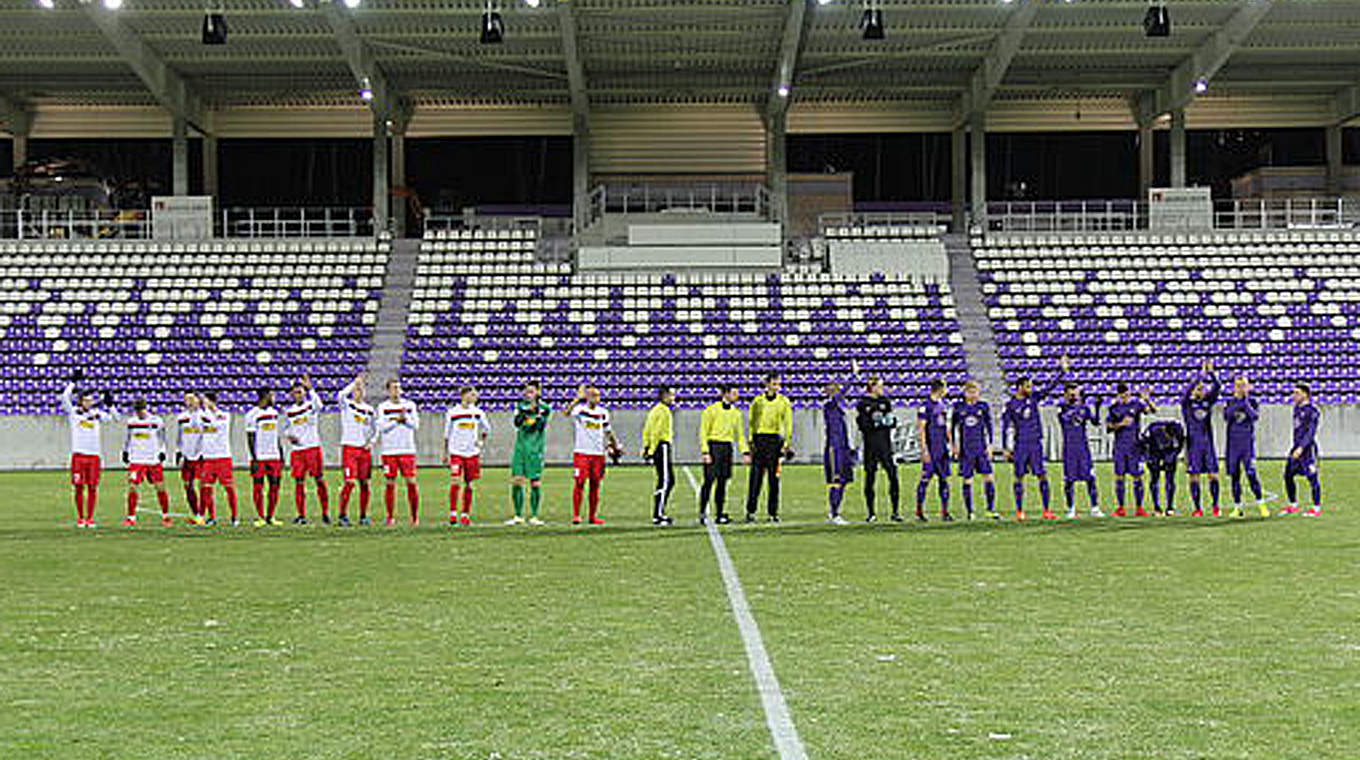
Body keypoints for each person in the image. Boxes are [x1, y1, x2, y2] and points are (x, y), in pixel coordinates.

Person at [1001, 356, 1068, 520]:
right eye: (1028, 386)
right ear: (1020, 387)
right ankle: (1019, 511)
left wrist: (1062, 371)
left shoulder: (1034, 398)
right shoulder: (1011, 405)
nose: (1031, 388)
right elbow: (1006, 427)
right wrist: (1005, 447)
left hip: (1036, 443)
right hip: (1021, 444)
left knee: (1042, 475)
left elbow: (1050, 388)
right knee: (1019, 476)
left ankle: (1046, 510)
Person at [62, 369, 117, 528]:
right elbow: (64, 398)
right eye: (86, 400)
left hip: (94, 456)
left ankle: (90, 518)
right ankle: (80, 518)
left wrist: (110, 405)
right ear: (80, 401)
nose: (89, 403)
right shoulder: (74, 414)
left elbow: (115, 419)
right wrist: (73, 382)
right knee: (79, 487)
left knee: (93, 487)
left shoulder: (97, 414)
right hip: (79, 455)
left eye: (91, 401)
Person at [563, 384, 620, 526]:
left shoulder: (603, 412)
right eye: (593, 395)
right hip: (582, 452)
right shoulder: (580, 410)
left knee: (595, 485)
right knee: (580, 483)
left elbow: (608, 431)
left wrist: (615, 444)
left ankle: (592, 516)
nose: (596, 398)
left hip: (598, 454)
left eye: (598, 395)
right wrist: (577, 399)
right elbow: (566, 413)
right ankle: (576, 515)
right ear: (587, 396)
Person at [746, 373, 793, 523]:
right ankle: (751, 512)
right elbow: (752, 422)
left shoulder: (784, 401)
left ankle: (773, 513)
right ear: (766, 384)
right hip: (760, 441)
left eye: (778, 384)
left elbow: (788, 423)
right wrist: (750, 441)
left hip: (775, 442)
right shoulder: (758, 401)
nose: (776, 387)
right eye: (774, 384)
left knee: (774, 480)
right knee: (755, 479)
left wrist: (786, 444)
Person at [699, 385, 749, 524]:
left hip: (727, 448)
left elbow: (740, 434)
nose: (736, 396)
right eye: (734, 393)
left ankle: (720, 513)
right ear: (725, 394)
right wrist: (705, 451)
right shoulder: (711, 410)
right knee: (708, 482)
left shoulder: (736, 413)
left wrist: (745, 451)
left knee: (723, 482)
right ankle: (702, 512)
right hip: (713, 446)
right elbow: (703, 431)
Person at [283, 375, 328, 525]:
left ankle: (325, 513)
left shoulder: (311, 405)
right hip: (298, 451)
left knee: (319, 480)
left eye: (301, 392)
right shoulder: (289, 411)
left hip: (312, 448)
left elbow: (320, 405)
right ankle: (301, 515)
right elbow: (285, 429)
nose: (298, 395)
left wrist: (311, 388)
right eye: (295, 392)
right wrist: (289, 436)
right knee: (299, 482)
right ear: (292, 395)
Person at [1106, 382, 1156, 517]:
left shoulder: (1136, 405)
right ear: (1119, 394)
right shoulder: (1114, 408)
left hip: (1135, 447)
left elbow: (1153, 411)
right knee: (1119, 477)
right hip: (1120, 447)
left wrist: (1147, 399)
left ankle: (1139, 508)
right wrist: (1121, 424)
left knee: (1137, 476)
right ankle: (1121, 507)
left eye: (1127, 392)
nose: (1126, 396)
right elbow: (1108, 428)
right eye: (1123, 394)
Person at [855, 377, 901, 521]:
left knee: (893, 477)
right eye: (879, 386)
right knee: (870, 479)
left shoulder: (885, 402)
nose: (882, 388)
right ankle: (871, 513)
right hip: (871, 446)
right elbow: (862, 425)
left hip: (886, 446)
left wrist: (889, 421)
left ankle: (895, 512)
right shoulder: (863, 403)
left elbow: (893, 421)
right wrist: (877, 423)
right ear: (872, 387)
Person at [1056, 382, 1104, 519]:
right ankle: (1071, 508)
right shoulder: (1062, 408)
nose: (1073, 395)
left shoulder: (1084, 408)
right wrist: (1077, 408)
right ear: (1065, 394)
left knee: (1090, 478)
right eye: (1071, 393)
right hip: (1069, 449)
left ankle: (1095, 507)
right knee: (1069, 480)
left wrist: (1097, 406)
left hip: (1083, 448)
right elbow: (1064, 419)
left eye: (1075, 393)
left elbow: (1095, 422)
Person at [1180, 360, 1222, 517]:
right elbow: (1186, 393)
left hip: (1208, 444)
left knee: (1213, 475)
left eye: (1202, 389)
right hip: (1193, 445)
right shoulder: (1186, 404)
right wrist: (1199, 376)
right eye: (1198, 389)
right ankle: (1197, 508)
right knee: (1194, 477)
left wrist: (1211, 373)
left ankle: (1215, 506)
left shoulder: (1207, 402)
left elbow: (1218, 387)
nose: (1201, 391)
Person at [377, 378, 420, 526]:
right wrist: (396, 420)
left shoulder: (410, 405)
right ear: (388, 391)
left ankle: (414, 517)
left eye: (398, 388)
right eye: (393, 388)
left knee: (411, 482)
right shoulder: (383, 407)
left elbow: (416, 425)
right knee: (390, 482)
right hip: (389, 451)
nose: (397, 391)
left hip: (407, 449)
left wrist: (405, 419)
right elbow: (382, 427)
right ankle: (390, 516)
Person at [445, 386, 491, 526]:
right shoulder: (453, 412)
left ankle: (465, 514)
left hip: (472, 452)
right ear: (464, 395)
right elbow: (446, 434)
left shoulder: (478, 412)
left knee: (469, 483)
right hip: (456, 452)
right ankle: (453, 513)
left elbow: (487, 428)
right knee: (455, 481)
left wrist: (481, 441)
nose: (475, 397)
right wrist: (445, 452)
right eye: (472, 394)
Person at [122, 399, 171, 528]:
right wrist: (126, 451)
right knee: (132, 486)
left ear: (146, 408)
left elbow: (163, 438)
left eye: (141, 409)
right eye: (137, 410)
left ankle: (166, 515)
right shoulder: (131, 422)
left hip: (153, 459)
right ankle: (131, 517)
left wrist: (163, 451)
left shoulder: (156, 421)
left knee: (160, 487)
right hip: (137, 460)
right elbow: (128, 438)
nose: (140, 413)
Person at [951, 380, 996, 520]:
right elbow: (953, 428)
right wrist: (954, 445)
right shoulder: (959, 408)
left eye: (976, 391)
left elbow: (989, 426)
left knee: (989, 477)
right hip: (966, 449)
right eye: (970, 392)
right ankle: (970, 511)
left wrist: (990, 445)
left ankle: (990, 509)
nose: (974, 394)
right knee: (967, 480)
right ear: (965, 393)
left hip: (981, 448)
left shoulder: (983, 406)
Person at [508, 380, 551, 526]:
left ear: (538, 392)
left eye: (531, 391)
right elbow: (517, 423)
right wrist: (526, 412)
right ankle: (518, 515)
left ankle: (534, 516)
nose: (528, 394)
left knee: (535, 482)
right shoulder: (519, 406)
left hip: (535, 448)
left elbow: (540, 426)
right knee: (517, 480)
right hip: (520, 447)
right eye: (526, 391)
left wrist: (536, 413)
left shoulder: (545, 408)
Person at [337, 373, 377, 527]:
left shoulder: (369, 410)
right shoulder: (347, 405)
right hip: (349, 448)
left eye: (361, 389)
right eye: (356, 390)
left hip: (364, 450)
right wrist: (354, 383)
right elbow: (340, 395)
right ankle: (342, 515)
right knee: (350, 482)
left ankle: (363, 515)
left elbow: (375, 429)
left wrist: (371, 443)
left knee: (365, 484)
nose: (359, 392)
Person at [1223, 376, 1266, 518]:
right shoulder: (1229, 402)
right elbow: (1227, 416)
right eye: (1238, 386)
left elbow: (1254, 416)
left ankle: (1261, 504)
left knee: (1251, 474)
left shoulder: (1252, 402)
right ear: (1234, 388)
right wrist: (1238, 402)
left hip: (1247, 445)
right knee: (1235, 476)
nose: (1241, 388)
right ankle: (1238, 507)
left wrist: (1245, 401)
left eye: (1244, 386)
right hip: (1232, 445)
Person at [243, 390, 284, 527]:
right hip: (260, 456)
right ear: (265, 397)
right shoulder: (252, 415)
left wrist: (281, 453)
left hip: (274, 456)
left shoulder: (274, 413)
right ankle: (260, 516)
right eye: (272, 395)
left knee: (275, 485)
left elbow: (276, 435)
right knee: (258, 486)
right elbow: (250, 437)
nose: (274, 398)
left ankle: (270, 516)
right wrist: (254, 458)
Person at [1280, 383, 1322, 517]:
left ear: (1305, 394)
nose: (1294, 396)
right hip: (1295, 448)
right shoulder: (1296, 409)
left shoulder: (1313, 411)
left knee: (1313, 478)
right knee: (1287, 475)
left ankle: (1316, 508)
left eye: (1297, 393)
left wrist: (1302, 447)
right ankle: (1293, 505)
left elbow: (1311, 432)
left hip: (1308, 450)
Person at [197, 391, 238, 526]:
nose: (203, 403)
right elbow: (197, 425)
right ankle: (212, 517)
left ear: (211, 401)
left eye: (205, 400)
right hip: (208, 457)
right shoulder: (201, 415)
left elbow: (217, 425)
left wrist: (210, 418)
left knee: (229, 488)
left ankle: (234, 517)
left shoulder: (225, 415)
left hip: (223, 456)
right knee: (207, 488)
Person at [915, 379, 953, 521]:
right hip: (931, 448)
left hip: (942, 448)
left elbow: (945, 426)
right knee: (926, 479)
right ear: (940, 389)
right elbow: (922, 428)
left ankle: (945, 511)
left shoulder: (943, 405)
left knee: (944, 479)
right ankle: (919, 510)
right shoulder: (925, 406)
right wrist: (924, 449)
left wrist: (951, 442)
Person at [641, 386, 676, 526]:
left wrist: (647, 447)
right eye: (671, 395)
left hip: (656, 447)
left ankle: (658, 512)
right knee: (666, 481)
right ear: (664, 396)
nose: (673, 398)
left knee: (665, 480)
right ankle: (659, 514)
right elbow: (656, 432)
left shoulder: (654, 410)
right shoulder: (664, 411)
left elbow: (647, 430)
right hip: (662, 446)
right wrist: (651, 450)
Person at [822, 382, 855, 525]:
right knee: (836, 480)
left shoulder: (838, 408)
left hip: (843, 447)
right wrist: (854, 376)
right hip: (834, 448)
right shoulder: (829, 405)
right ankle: (834, 513)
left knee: (843, 480)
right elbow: (841, 394)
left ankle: (835, 511)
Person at [1140, 419, 1185, 516]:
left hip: (1169, 452)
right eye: (1168, 436)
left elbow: (1180, 446)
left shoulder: (1179, 430)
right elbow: (1143, 444)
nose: (1170, 438)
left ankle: (1170, 507)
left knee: (1170, 478)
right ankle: (1157, 507)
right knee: (1154, 478)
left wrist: (1171, 458)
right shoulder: (1152, 429)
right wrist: (1148, 459)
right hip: (1154, 452)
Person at [174, 392, 205, 525]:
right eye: (187, 399)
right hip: (187, 456)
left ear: (199, 400)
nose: (189, 401)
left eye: (192, 398)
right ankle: (196, 513)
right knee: (188, 486)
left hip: (200, 456)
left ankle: (204, 514)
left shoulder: (204, 416)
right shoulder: (182, 417)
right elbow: (179, 436)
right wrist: (178, 452)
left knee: (203, 485)